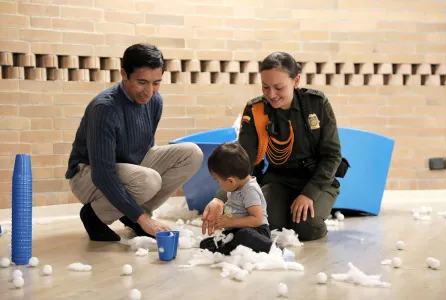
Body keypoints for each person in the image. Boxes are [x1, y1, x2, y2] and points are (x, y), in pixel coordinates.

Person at [202, 52, 348, 242]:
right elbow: (243, 159)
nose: (271, 94)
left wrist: (309, 193)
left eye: (279, 87)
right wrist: (220, 197)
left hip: (316, 179)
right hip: (279, 179)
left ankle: (312, 211)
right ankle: (285, 212)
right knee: (263, 222)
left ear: (296, 80)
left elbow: (332, 155)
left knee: (306, 227)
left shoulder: (316, 104)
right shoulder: (256, 110)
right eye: (265, 87)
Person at [65, 43, 203, 242]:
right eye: (142, 82)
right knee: (148, 180)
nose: (149, 91)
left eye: (156, 83)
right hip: (88, 174)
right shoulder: (104, 108)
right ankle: (94, 216)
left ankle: (134, 216)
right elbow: (103, 174)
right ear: (124, 74)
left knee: (192, 153)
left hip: (128, 169)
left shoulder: (155, 101)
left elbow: (147, 147)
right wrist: (144, 219)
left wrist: (139, 213)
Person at [199, 142, 273, 255]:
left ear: (231, 181)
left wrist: (231, 222)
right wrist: (222, 221)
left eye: (217, 181)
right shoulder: (234, 187)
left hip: (257, 231)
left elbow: (257, 219)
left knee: (244, 235)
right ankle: (230, 246)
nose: (218, 185)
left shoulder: (250, 190)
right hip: (236, 230)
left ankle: (275, 249)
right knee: (206, 244)